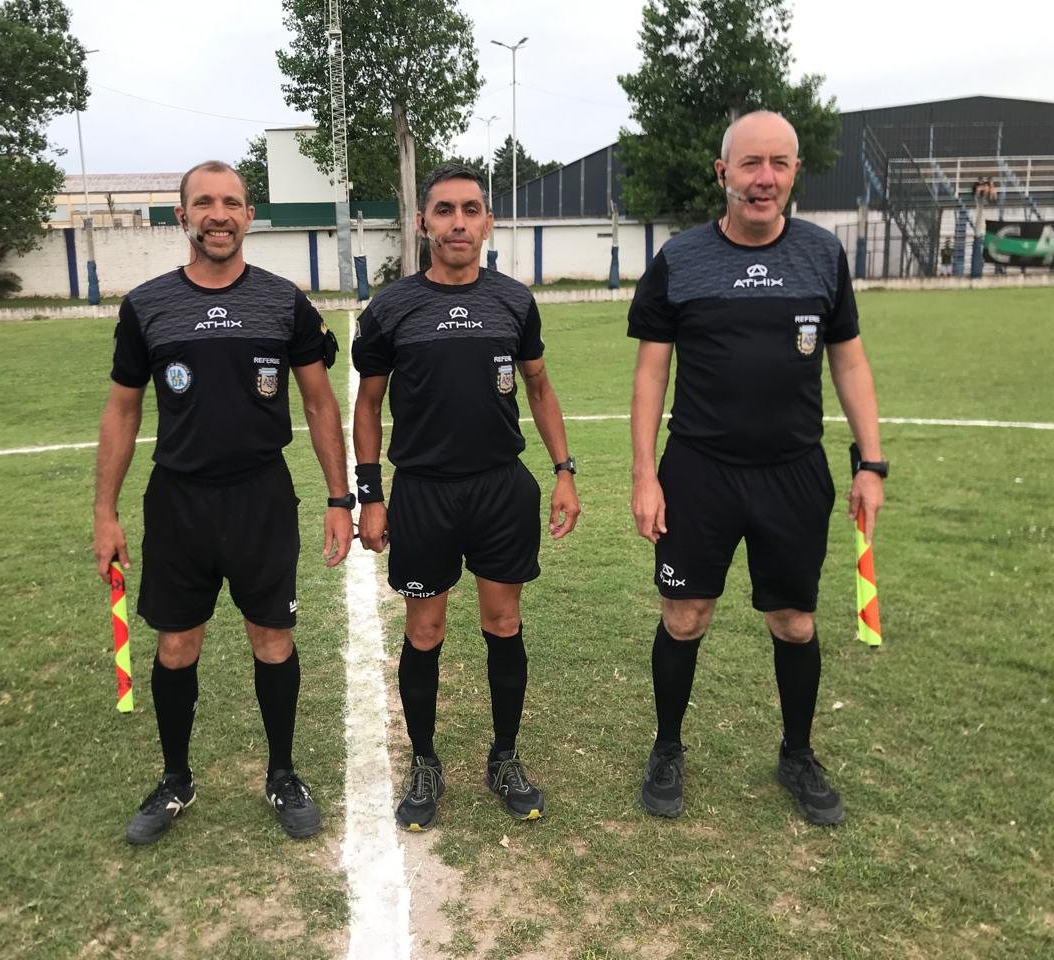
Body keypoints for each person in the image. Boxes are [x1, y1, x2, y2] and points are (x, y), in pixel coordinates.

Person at [627, 111, 885, 827]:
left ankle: (797, 754)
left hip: (793, 473)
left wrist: (871, 462)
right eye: (750, 163)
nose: (764, 178)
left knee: (794, 622)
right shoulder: (680, 259)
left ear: (795, 171)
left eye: (778, 163)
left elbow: (850, 362)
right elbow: (651, 375)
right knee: (685, 616)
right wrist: (645, 475)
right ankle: (667, 747)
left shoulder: (822, 255)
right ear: (724, 173)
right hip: (699, 472)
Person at [93, 160, 354, 845]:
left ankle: (282, 774)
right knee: (177, 644)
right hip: (178, 500)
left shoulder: (283, 302)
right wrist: (105, 512)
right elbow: (122, 410)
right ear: (182, 215)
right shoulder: (147, 305)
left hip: (260, 496)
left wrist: (339, 496)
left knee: (272, 638)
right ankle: (176, 779)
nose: (219, 214)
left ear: (248, 216)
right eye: (204, 203)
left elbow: (319, 403)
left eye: (232, 203)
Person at [351, 163, 581, 831]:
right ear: (423, 222)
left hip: (499, 489)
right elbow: (367, 405)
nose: (458, 222)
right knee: (424, 630)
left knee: (503, 624)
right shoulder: (391, 308)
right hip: (423, 492)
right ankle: (425, 761)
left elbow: (539, 386)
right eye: (445, 210)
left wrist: (564, 471)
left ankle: (504, 756)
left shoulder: (514, 301)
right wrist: (370, 494)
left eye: (471, 210)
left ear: (487, 223)